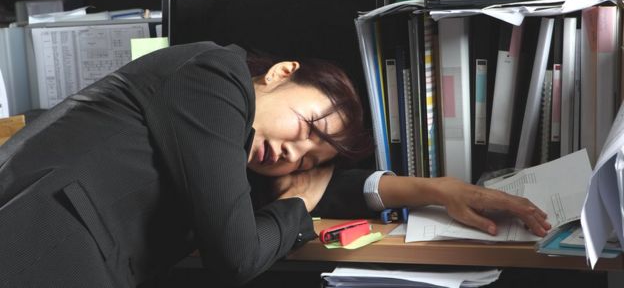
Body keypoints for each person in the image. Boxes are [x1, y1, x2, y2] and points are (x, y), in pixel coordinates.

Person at [0, 42, 550, 287]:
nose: (295, 153)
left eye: (311, 156)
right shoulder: (215, 78)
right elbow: (236, 257)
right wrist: (297, 201)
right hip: (34, 244)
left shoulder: (236, 144)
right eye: (310, 128)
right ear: (282, 73)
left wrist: (435, 188)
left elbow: (315, 185)